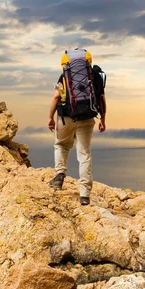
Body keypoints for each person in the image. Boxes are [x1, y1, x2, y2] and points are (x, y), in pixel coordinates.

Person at [47, 55, 106, 206]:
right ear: (88, 61)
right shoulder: (96, 76)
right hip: (87, 119)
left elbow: (55, 97)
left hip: (66, 118)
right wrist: (103, 120)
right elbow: (101, 100)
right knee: (84, 153)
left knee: (61, 145)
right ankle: (84, 195)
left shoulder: (64, 75)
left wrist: (50, 117)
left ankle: (59, 176)